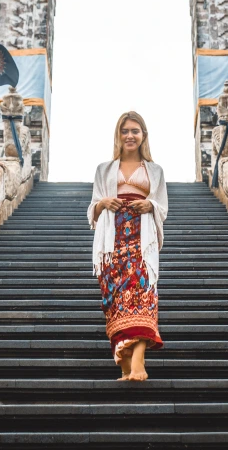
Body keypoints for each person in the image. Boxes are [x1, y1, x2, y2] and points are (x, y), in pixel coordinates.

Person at [88, 111, 168, 381]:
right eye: (125, 131)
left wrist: (150, 205)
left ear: (143, 135)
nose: (130, 135)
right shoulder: (104, 169)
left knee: (143, 296)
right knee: (116, 300)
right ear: (118, 136)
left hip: (141, 241)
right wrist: (102, 204)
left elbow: (163, 207)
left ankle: (138, 364)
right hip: (112, 242)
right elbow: (93, 207)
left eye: (135, 131)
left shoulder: (154, 171)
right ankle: (125, 366)